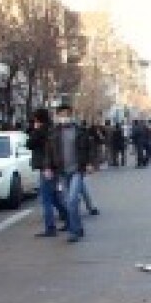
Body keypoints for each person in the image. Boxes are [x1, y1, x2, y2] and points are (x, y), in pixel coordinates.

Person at [46, 104, 93, 243]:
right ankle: (78, 227)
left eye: (67, 114)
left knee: (72, 200)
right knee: (67, 202)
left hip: (77, 170)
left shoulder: (80, 131)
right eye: (62, 115)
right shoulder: (53, 132)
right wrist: (48, 167)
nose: (64, 117)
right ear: (58, 116)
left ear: (71, 115)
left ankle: (73, 232)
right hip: (61, 171)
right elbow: (49, 151)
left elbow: (88, 148)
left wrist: (89, 163)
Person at [27, 108, 68, 237]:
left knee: (46, 198)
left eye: (35, 119)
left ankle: (50, 227)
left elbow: (29, 144)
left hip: (46, 167)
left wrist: (35, 129)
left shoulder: (41, 131)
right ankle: (69, 219)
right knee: (54, 197)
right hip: (53, 166)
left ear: (38, 119)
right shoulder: (52, 129)